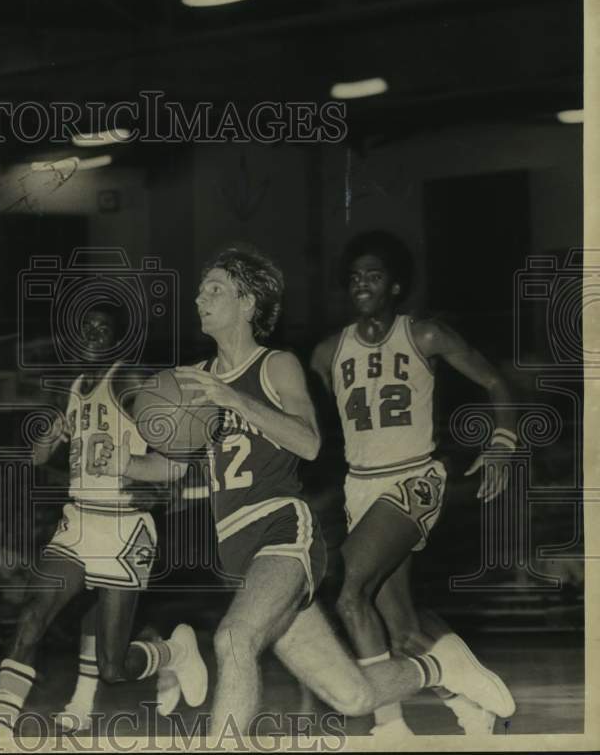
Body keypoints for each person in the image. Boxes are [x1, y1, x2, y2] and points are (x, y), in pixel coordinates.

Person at [99, 245, 515, 739]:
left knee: (234, 640)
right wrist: (122, 462)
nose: (198, 298)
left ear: (248, 303)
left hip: (282, 533)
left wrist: (233, 398)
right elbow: (171, 469)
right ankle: (440, 668)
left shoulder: (276, 366)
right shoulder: (194, 381)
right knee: (352, 695)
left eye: (214, 289)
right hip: (235, 550)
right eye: (200, 289)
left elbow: (310, 442)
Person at [310, 231, 517, 738]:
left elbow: (493, 380)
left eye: (373, 275)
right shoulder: (326, 353)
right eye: (355, 276)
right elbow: (305, 423)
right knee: (401, 631)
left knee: (350, 591)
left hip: (414, 479)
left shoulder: (424, 334)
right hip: (361, 486)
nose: (362, 283)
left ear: (396, 286)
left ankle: (389, 725)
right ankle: (470, 704)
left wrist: (503, 442)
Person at [0, 307, 207, 741]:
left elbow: (177, 464)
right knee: (33, 615)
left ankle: (174, 651)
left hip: (125, 529)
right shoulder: (76, 387)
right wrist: (47, 441)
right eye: (86, 326)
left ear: (119, 340)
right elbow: (36, 458)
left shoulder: (132, 380)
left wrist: (130, 463)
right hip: (79, 520)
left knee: (113, 666)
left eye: (104, 328)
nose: (92, 334)